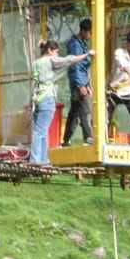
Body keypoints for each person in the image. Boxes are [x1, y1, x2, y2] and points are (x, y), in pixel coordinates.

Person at [30, 39, 92, 165]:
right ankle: (36, 160)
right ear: (49, 50)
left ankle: (43, 159)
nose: (57, 55)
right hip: (47, 98)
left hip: (37, 98)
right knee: (40, 131)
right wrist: (86, 55)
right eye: (56, 52)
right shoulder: (50, 60)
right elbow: (68, 60)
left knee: (41, 130)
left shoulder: (36, 63)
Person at [62, 18, 94, 146]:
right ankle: (88, 137)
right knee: (84, 109)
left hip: (82, 81)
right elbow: (75, 66)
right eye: (90, 33)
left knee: (75, 112)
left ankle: (66, 139)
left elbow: (84, 67)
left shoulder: (82, 43)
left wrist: (88, 84)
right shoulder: (75, 44)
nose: (91, 36)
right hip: (77, 83)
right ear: (84, 31)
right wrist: (81, 85)